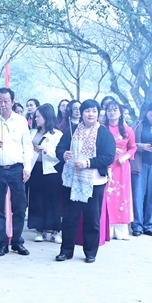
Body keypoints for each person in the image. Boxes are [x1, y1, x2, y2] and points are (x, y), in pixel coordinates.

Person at [55, 100, 116, 263]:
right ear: (81, 113)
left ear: (98, 113)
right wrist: (64, 154)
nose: (91, 114)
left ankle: (90, 252)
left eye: (94, 111)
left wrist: (88, 163)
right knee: (69, 218)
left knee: (92, 219)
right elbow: (59, 149)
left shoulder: (103, 133)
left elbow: (108, 157)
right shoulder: (72, 130)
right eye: (87, 111)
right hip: (72, 181)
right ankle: (66, 251)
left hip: (94, 182)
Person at [0, 87, 33, 257]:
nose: (3, 104)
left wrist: (27, 168)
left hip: (16, 169)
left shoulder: (21, 121)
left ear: (13, 102)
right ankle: (2, 243)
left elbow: (27, 146)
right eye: (0, 101)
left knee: (19, 207)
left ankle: (17, 241)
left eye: (6, 101)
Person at [27, 104, 63, 243]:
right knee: (36, 200)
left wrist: (47, 150)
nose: (36, 119)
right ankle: (39, 230)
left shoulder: (57, 134)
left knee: (52, 201)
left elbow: (60, 154)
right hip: (35, 169)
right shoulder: (32, 133)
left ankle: (55, 231)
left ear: (46, 117)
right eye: (35, 116)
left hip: (51, 170)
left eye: (38, 116)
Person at [103, 101, 136, 240]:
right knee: (107, 195)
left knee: (122, 196)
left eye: (115, 110)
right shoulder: (102, 128)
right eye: (109, 110)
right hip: (106, 165)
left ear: (120, 113)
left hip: (122, 166)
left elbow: (133, 147)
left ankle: (121, 230)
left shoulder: (127, 130)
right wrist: (111, 150)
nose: (112, 112)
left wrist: (126, 157)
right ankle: (107, 229)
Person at [130, 102, 152, 236]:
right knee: (138, 195)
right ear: (146, 113)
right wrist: (141, 146)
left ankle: (150, 225)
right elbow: (129, 143)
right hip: (140, 164)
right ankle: (137, 225)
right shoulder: (138, 125)